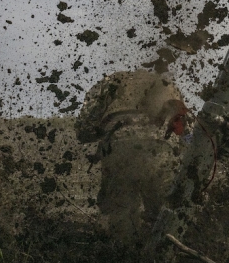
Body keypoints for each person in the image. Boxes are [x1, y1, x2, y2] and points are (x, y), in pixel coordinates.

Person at [74, 70, 191, 246]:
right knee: (167, 212)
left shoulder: (111, 82)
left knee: (121, 213)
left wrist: (101, 132)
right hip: (162, 149)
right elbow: (187, 132)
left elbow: (83, 128)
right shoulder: (167, 84)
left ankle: (125, 252)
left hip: (120, 145)